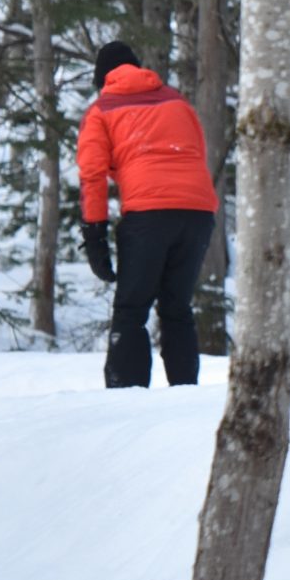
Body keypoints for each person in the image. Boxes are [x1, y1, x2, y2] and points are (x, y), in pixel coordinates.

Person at [75, 41, 218, 388]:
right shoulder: (176, 101)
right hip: (198, 212)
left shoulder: (102, 109)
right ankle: (186, 395)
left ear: (102, 78)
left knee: (131, 310)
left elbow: (92, 174)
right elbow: (196, 152)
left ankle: (126, 399)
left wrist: (94, 234)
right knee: (177, 309)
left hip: (149, 215)